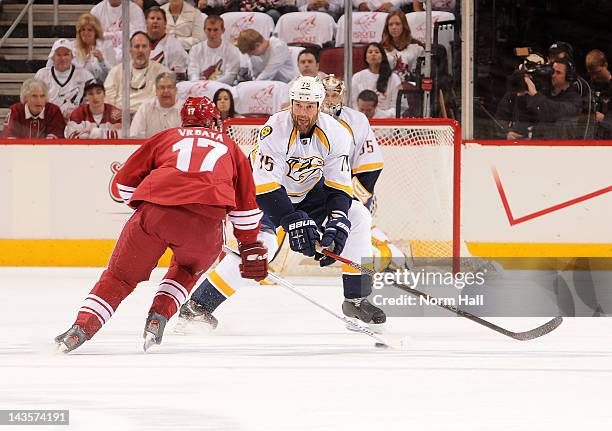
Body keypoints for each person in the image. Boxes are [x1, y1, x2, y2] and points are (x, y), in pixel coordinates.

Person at [54, 96, 268, 353]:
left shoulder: (167, 136)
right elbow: (246, 209)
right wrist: (248, 245)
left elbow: (122, 185)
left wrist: (147, 205)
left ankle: (81, 328)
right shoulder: (231, 147)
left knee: (119, 277)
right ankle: (158, 316)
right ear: (214, 121)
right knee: (187, 269)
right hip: (206, 224)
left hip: (155, 213)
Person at [176, 76, 386, 332]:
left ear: (319, 106)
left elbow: (338, 186)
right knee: (260, 247)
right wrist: (293, 220)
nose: (303, 112)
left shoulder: (336, 133)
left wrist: (337, 219)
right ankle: (197, 307)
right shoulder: (275, 127)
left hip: (308, 192)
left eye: (310, 106)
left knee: (358, 217)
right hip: (262, 195)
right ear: (292, 103)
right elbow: (265, 186)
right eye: (299, 105)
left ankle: (356, 298)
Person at [496, 60, 583, 140]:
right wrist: (521, 96)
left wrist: (534, 94)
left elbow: (555, 111)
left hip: (560, 148)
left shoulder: (574, 99)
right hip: (538, 145)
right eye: (553, 72)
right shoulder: (544, 93)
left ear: (569, 77)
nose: (553, 75)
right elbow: (525, 121)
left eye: (558, 73)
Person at [104, 31, 170, 115]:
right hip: (121, 118)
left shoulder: (162, 72)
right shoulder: (116, 71)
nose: (141, 50)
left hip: (149, 118)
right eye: (137, 46)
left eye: (144, 46)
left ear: (150, 49)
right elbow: (108, 101)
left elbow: (164, 102)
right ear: (130, 50)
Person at [35, 39, 95, 120]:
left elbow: (94, 101)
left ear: (72, 56)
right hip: (48, 121)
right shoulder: (42, 75)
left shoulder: (85, 76)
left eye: (66, 54)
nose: (63, 58)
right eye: (59, 55)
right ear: (52, 57)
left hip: (77, 121)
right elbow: (33, 101)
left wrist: (78, 112)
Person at [351, 42, 402, 117]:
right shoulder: (357, 77)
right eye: (370, 52)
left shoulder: (394, 78)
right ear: (365, 57)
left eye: (377, 52)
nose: (373, 54)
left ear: (383, 56)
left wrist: (379, 115)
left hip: (386, 121)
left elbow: (397, 108)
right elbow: (353, 104)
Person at [188, 15, 242, 85]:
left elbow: (230, 77)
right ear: (204, 30)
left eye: (215, 30)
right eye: (209, 29)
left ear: (223, 30)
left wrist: (209, 85)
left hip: (222, 89)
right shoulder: (195, 49)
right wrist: (197, 82)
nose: (212, 34)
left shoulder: (233, 51)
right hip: (199, 87)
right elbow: (192, 72)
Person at [130, 72, 181, 138]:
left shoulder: (185, 109)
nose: (166, 91)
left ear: (176, 90)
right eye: (162, 87)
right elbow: (135, 136)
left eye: (170, 87)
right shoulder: (145, 108)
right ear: (156, 91)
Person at [73, 13, 118, 83]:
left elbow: (113, 74)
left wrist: (101, 60)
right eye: (83, 30)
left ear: (96, 32)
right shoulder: (72, 48)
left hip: (102, 87)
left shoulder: (107, 46)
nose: (86, 33)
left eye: (89, 30)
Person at [380, 11, 424, 83]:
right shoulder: (381, 47)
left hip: (412, 86)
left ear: (404, 25)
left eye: (397, 24)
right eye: (390, 24)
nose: (394, 27)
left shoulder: (416, 45)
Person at [145, 7, 189, 76]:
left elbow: (178, 74)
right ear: (146, 22)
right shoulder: (138, 42)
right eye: (152, 18)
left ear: (165, 23)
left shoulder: (174, 45)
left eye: (159, 19)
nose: (155, 21)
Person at [585, 49, 612, 139]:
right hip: (593, 137)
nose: (594, 77)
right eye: (591, 73)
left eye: (597, 72)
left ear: (605, 65)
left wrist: (604, 119)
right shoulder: (588, 87)